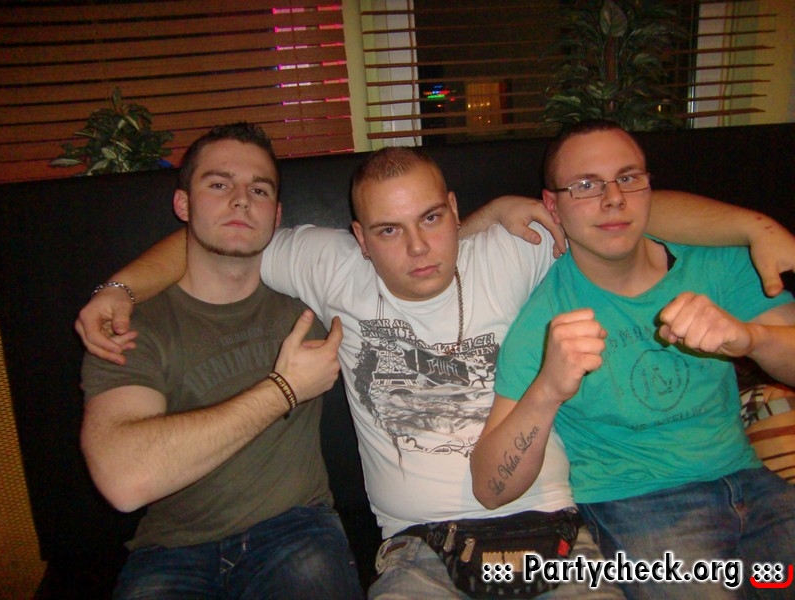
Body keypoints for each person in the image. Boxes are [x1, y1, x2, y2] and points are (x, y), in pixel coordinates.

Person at [77, 144, 795, 599]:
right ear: (360, 239)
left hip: (553, 532)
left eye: (431, 219)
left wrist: (756, 227)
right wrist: (119, 289)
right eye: (389, 230)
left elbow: (626, 211)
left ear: (454, 211)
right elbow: (220, 242)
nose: (418, 249)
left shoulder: (516, 247)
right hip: (419, 549)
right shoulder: (329, 265)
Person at [471, 119, 795, 599]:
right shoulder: (545, 320)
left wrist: (752, 338)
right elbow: (490, 488)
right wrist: (547, 389)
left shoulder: (715, 262)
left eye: (627, 178)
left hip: (753, 482)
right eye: (586, 185)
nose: (613, 199)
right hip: (639, 505)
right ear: (552, 206)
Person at [79, 123, 364, 599]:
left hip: (296, 531)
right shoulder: (133, 325)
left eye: (259, 189)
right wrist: (284, 390)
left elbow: (415, 255)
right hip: (172, 550)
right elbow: (124, 480)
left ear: (276, 215)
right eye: (218, 184)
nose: (240, 201)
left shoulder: (310, 296)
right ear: (183, 204)